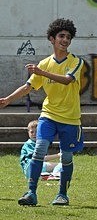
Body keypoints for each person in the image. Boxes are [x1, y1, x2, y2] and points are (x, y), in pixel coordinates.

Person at [0, 18, 84, 206]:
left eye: (68, 37)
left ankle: (62, 194)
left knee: (67, 156)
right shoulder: (45, 63)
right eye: (61, 36)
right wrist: (7, 100)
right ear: (52, 39)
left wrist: (40, 72)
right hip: (48, 114)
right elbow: (27, 87)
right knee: (38, 150)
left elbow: (67, 80)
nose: (65, 40)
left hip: (70, 118)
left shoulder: (76, 62)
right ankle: (31, 193)